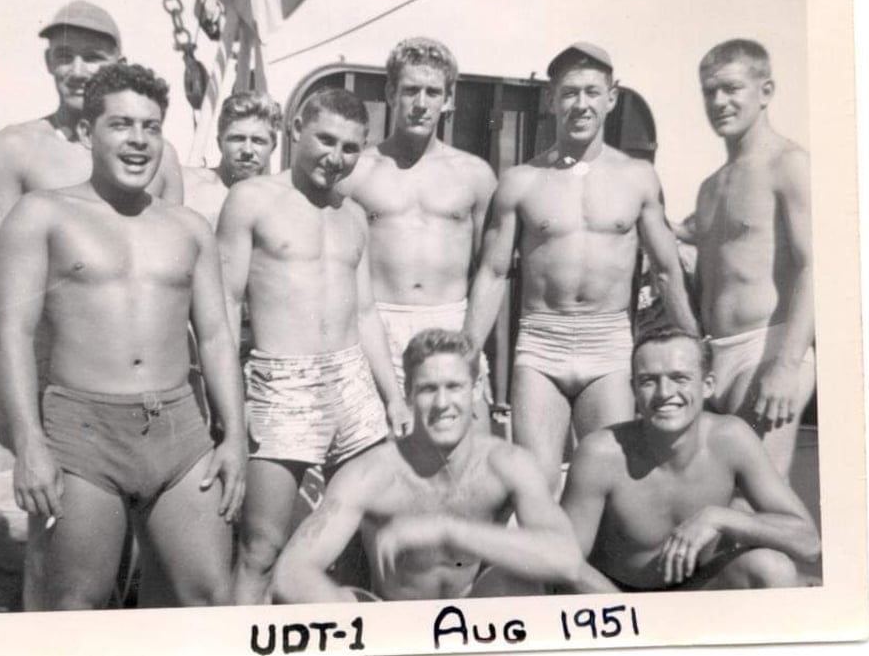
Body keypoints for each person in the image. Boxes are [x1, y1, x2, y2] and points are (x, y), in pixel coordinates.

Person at [0, 63, 245, 610]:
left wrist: (236, 439)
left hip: (179, 429)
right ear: (87, 133)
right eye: (122, 125)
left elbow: (218, 338)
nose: (138, 141)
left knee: (208, 597)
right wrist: (29, 442)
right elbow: (11, 333)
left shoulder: (187, 227)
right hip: (82, 431)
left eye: (151, 127)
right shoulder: (42, 214)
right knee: (75, 605)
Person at [465, 42, 698, 492]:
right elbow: (492, 274)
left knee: (607, 480)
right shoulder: (521, 182)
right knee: (535, 483)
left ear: (612, 97)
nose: (581, 104)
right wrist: (468, 353)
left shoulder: (638, 178)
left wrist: (692, 341)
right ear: (552, 100)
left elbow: (668, 271)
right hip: (541, 344)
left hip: (608, 344)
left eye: (592, 92)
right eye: (569, 93)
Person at [216, 88, 411, 605]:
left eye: (350, 148)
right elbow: (225, 305)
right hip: (285, 385)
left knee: (375, 531)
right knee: (261, 547)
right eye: (325, 139)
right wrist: (229, 407)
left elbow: (365, 312)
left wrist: (393, 395)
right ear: (296, 127)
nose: (336, 157)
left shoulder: (352, 213)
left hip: (352, 384)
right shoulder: (252, 199)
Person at [273, 328, 617, 602]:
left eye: (454, 387)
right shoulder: (371, 473)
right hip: (397, 624)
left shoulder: (506, 464)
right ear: (408, 393)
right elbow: (291, 574)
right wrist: (365, 631)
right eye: (427, 389)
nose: (442, 403)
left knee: (516, 582)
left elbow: (566, 558)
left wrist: (447, 529)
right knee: (346, 599)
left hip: (476, 625)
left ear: (476, 388)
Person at [0, 0, 183, 345]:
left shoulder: (159, 157)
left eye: (92, 57)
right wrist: (1, 378)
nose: (77, 70)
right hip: (49, 364)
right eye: (64, 55)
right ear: (48, 62)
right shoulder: (15, 148)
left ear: (118, 65)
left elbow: (173, 276)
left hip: (138, 361)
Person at [560, 328, 820, 591]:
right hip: (619, 597)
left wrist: (719, 518)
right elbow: (563, 563)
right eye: (649, 380)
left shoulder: (731, 438)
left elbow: (808, 544)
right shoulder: (601, 453)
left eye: (679, 378)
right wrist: (629, 616)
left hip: (697, 589)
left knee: (772, 569)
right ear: (634, 390)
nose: (664, 393)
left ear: (707, 385)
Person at [338, 38, 497, 430]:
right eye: (410, 90)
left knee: (466, 462)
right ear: (392, 93)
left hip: (452, 323)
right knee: (384, 459)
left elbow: (491, 273)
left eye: (432, 92)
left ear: (449, 99)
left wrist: (473, 349)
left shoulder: (475, 175)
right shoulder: (358, 174)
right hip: (378, 328)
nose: (421, 103)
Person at [691, 39, 814, 477]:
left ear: (765, 91)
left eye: (731, 88)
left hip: (765, 349)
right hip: (714, 356)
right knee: (712, 494)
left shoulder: (789, 164)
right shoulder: (711, 186)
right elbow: (690, 240)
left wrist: (787, 366)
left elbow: (813, 267)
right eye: (709, 91)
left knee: (757, 500)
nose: (719, 101)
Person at [181, 90, 283, 229]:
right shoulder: (189, 188)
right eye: (237, 139)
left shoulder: (281, 202)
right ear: (219, 143)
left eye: (258, 141)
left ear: (273, 147)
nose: (247, 150)